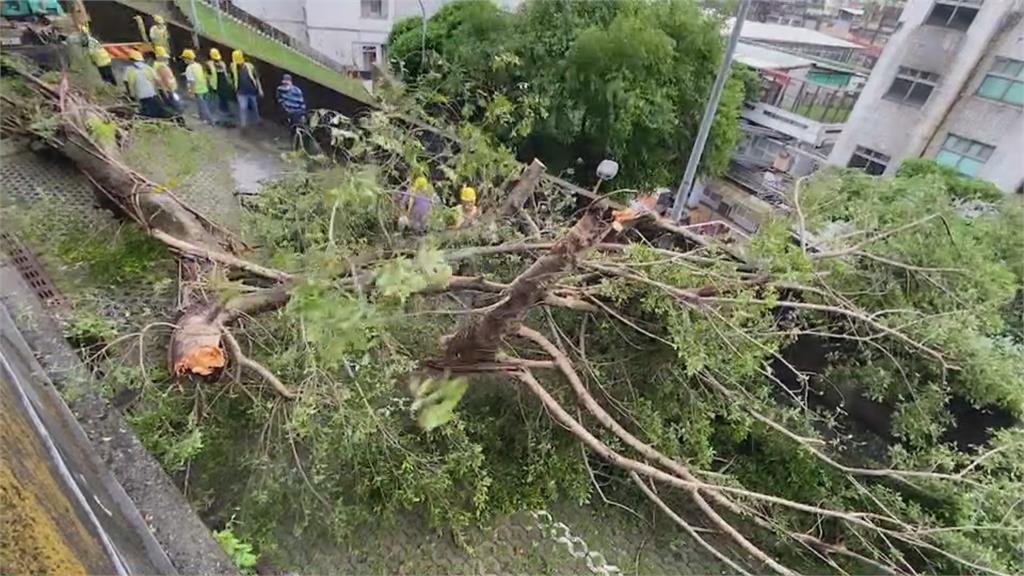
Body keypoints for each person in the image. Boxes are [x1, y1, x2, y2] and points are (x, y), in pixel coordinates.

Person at [125, 50, 169, 119]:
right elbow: (159, 81)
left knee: (148, 116)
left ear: (131, 60)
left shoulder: (130, 71)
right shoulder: (148, 68)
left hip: (142, 98)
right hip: (152, 95)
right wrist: (165, 92)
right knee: (159, 113)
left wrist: (132, 96)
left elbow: (128, 84)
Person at [230, 50, 263, 129]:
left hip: (251, 91)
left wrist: (260, 89)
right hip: (241, 93)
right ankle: (243, 125)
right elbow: (232, 78)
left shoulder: (250, 66)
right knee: (243, 108)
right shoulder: (233, 67)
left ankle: (258, 120)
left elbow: (256, 78)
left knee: (255, 107)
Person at [181, 49, 214, 124]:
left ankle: (211, 121)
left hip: (197, 90)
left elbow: (192, 81)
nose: (183, 60)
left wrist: (191, 92)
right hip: (204, 88)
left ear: (188, 59)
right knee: (202, 105)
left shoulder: (189, 68)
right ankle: (202, 117)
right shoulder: (198, 65)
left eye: (184, 58)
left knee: (203, 106)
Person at [153, 46, 181, 113]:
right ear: (159, 57)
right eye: (163, 57)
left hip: (164, 89)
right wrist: (171, 90)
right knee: (175, 106)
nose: (165, 58)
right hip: (168, 90)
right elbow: (166, 80)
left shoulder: (156, 65)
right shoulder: (161, 66)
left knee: (171, 105)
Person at [206, 48, 233, 118]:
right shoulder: (222, 63)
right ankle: (224, 111)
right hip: (221, 83)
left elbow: (209, 74)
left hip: (216, 84)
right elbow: (225, 74)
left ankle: (213, 113)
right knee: (221, 98)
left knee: (214, 99)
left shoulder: (210, 64)